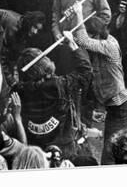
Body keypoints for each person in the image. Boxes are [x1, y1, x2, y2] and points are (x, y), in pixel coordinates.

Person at [14, 31, 95, 159]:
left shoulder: (19, 90)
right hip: (64, 148)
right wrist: (72, 44)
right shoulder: (60, 84)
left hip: (37, 150)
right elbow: (86, 73)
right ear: (43, 64)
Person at [71, 6, 127, 165]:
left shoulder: (110, 45)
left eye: (92, 35)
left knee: (110, 153)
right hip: (113, 107)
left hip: (121, 108)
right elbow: (81, 40)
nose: (90, 39)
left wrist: (78, 13)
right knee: (112, 150)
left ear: (97, 34)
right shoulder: (101, 43)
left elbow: (82, 40)